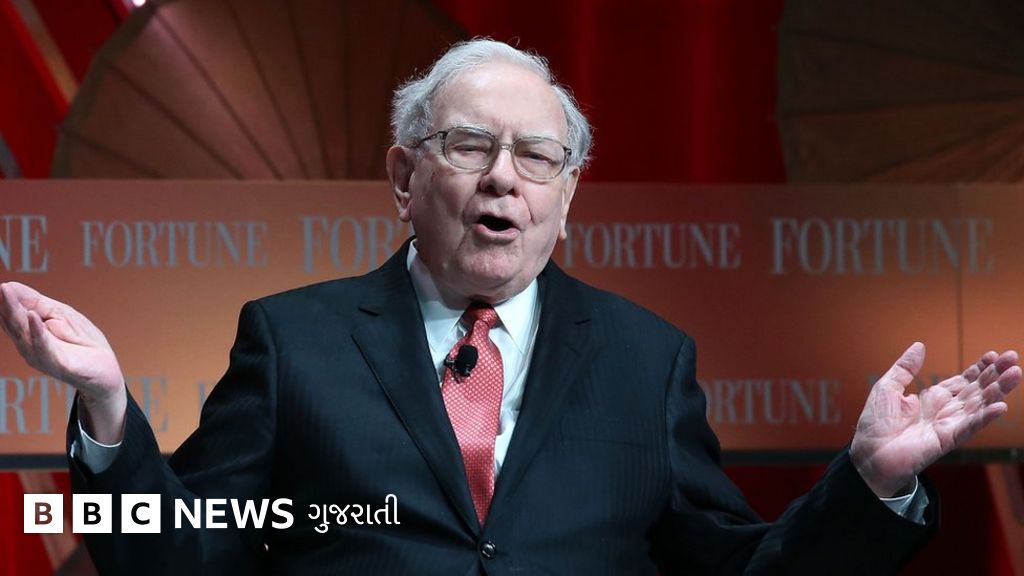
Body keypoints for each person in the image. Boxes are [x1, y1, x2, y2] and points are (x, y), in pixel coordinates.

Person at [0, 39, 1019, 575]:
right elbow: (183, 559)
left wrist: (870, 483)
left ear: (567, 195)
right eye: (467, 146)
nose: (504, 179)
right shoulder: (294, 340)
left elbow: (738, 570)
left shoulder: (646, 359)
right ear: (404, 177)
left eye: (537, 157)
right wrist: (107, 412)